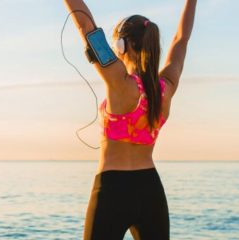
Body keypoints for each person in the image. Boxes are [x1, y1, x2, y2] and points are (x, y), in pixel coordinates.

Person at [63, 0, 197, 239]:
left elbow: (85, 26)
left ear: (122, 45)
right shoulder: (165, 88)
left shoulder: (119, 82)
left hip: (112, 190)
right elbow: (181, 39)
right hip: (150, 191)